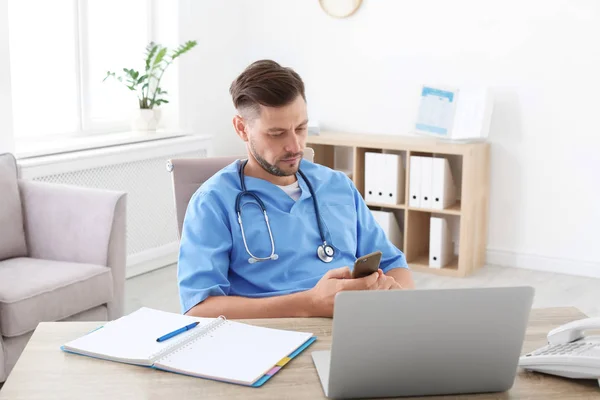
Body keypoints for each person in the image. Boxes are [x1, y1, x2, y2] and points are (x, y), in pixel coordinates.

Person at [178, 60, 415, 319]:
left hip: (350, 328)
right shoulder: (212, 202)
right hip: (267, 340)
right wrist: (310, 303)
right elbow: (198, 309)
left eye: (301, 128)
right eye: (277, 133)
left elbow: (394, 266)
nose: (294, 146)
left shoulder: (336, 186)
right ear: (241, 128)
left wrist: (395, 306)